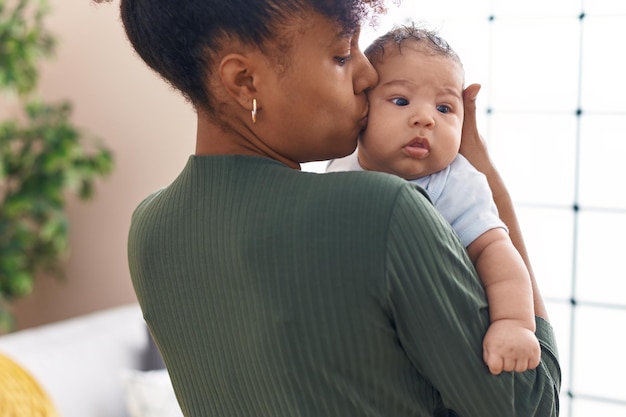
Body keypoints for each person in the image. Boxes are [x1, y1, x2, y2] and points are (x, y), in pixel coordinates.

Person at [96, 0, 561, 415]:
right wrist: (483, 176)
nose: (367, 75)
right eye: (341, 56)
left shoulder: (150, 230)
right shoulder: (384, 209)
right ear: (244, 81)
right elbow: (531, 405)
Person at [327, 24, 540, 376]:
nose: (425, 118)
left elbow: (497, 254)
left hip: (441, 339)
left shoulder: (455, 183)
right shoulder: (339, 169)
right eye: (400, 101)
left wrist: (514, 323)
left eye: (444, 108)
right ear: (362, 106)